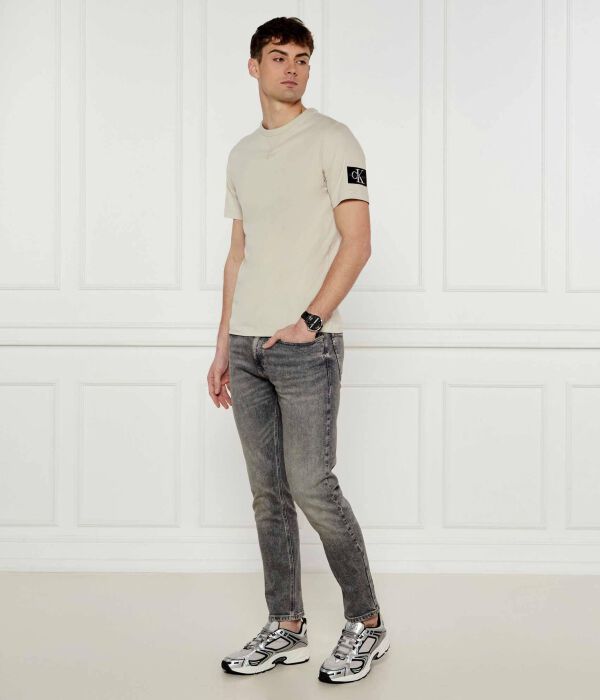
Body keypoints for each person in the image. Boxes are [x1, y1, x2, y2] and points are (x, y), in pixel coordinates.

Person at [207, 16, 390, 684]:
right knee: (267, 496)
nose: (292, 69)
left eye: (303, 58)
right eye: (279, 57)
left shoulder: (333, 139)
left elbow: (357, 242)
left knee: (312, 486)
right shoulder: (241, 155)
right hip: (247, 345)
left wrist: (310, 321)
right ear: (253, 66)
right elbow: (238, 255)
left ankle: (366, 622)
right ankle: (285, 627)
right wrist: (223, 344)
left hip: (306, 346)